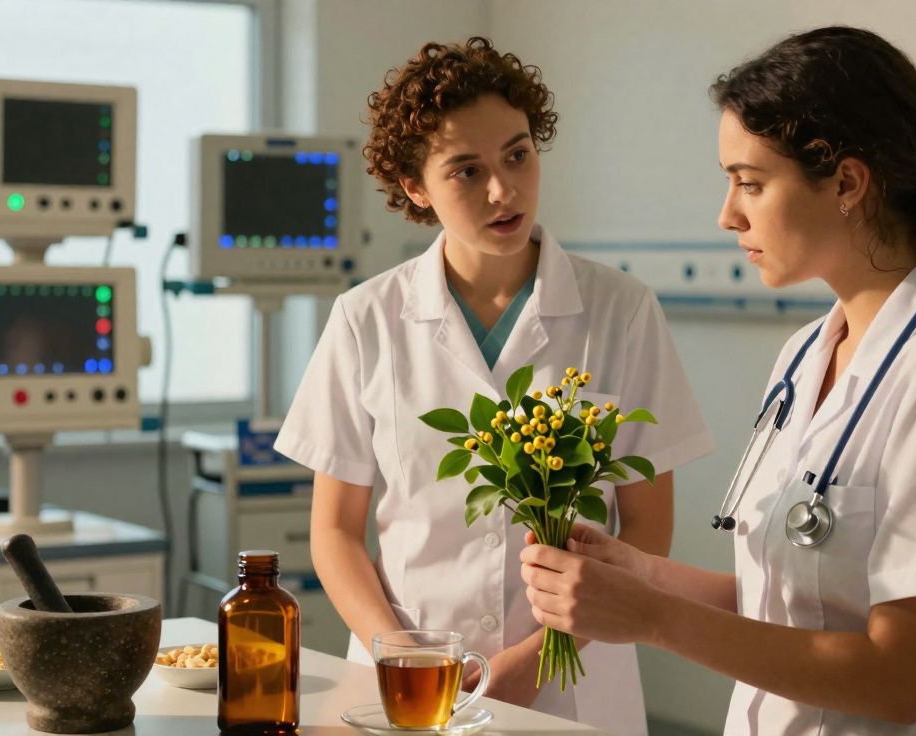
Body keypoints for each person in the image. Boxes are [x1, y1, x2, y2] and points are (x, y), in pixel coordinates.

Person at [520, 26, 916, 735]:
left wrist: (653, 618)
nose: (727, 214)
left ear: (847, 183)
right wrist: (640, 574)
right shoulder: (809, 354)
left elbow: (900, 679)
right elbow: (792, 603)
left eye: (750, 182)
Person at [274, 37, 713, 735]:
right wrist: (402, 655)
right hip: (405, 678)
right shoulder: (366, 319)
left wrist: (542, 659)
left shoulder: (621, 311)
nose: (503, 190)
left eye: (517, 154)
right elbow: (334, 530)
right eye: (466, 171)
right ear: (416, 188)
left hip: (573, 685)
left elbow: (649, 529)